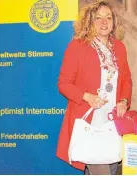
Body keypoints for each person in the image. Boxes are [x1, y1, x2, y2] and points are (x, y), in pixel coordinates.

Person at [55, 1, 132, 175]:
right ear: (89, 22)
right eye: (98, 18)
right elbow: (64, 83)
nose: (104, 22)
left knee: (112, 168)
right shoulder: (77, 47)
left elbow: (126, 80)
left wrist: (124, 100)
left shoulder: (119, 48)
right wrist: (87, 96)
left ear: (114, 22)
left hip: (113, 122)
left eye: (108, 17)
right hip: (89, 121)